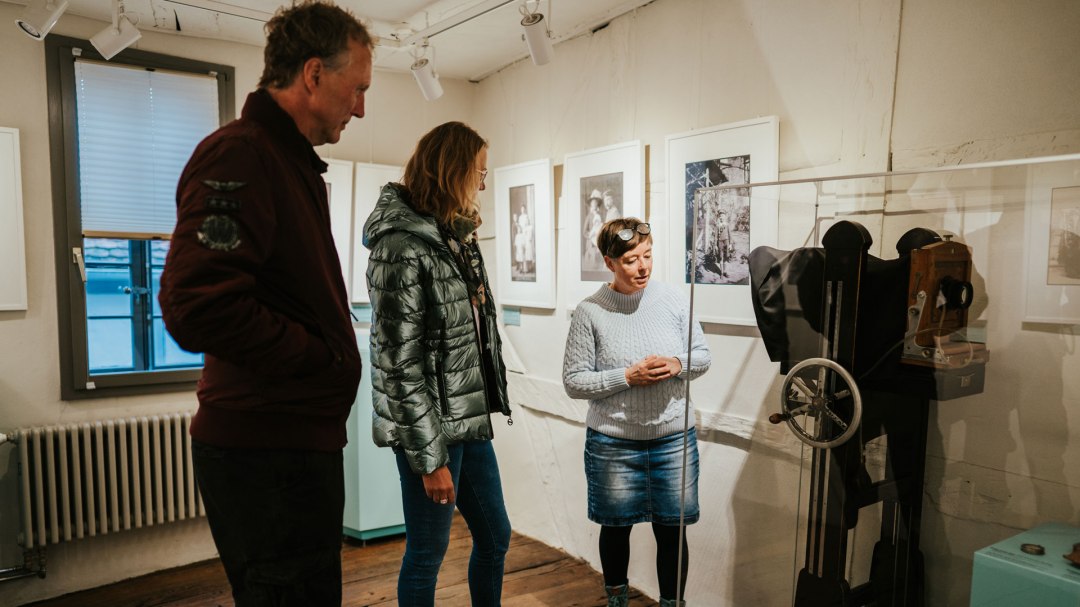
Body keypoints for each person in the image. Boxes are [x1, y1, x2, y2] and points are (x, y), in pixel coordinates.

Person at [157, 2, 371, 604]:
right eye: (356, 89)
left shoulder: (286, 162)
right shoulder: (242, 154)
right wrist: (318, 358)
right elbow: (196, 304)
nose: (361, 107)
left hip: (290, 447)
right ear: (312, 75)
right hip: (267, 454)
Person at [364, 121, 513, 607]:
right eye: (479, 173)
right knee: (428, 552)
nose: (483, 185)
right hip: (429, 429)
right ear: (452, 171)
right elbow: (397, 363)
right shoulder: (400, 245)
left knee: (495, 537)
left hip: (467, 417)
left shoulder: (455, 237)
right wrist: (431, 460)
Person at [562, 218, 712, 607]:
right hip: (614, 442)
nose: (643, 267)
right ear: (609, 262)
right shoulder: (590, 312)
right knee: (615, 528)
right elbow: (575, 382)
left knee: (672, 531)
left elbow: (703, 356)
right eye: (631, 260)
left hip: (673, 439)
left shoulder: (674, 300)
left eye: (648, 256)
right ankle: (617, 601)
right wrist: (627, 376)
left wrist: (678, 364)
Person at [583, 191, 605, 269]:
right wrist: (590, 236)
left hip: (599, 241)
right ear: (591, 204)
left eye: (596, 203)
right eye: (593, 203)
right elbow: (584, 231)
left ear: (597, 204)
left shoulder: (600, 216)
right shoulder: (589, 216)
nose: (594, 204)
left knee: (599, 261)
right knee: (591, 262)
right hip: (590, 243)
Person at [514, 202, 534, 275]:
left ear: (525, 209)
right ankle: (522, 268)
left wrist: (526, 231)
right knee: (521, 251)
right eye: (521, 209)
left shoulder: (526, 216)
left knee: (527, 252)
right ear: (521, 210)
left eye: (523, 209)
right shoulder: (520, 217)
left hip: (526, 234)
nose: (522, 210)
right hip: (521, 235)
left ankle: (528, 268)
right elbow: (519, 226)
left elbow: (528, 225)